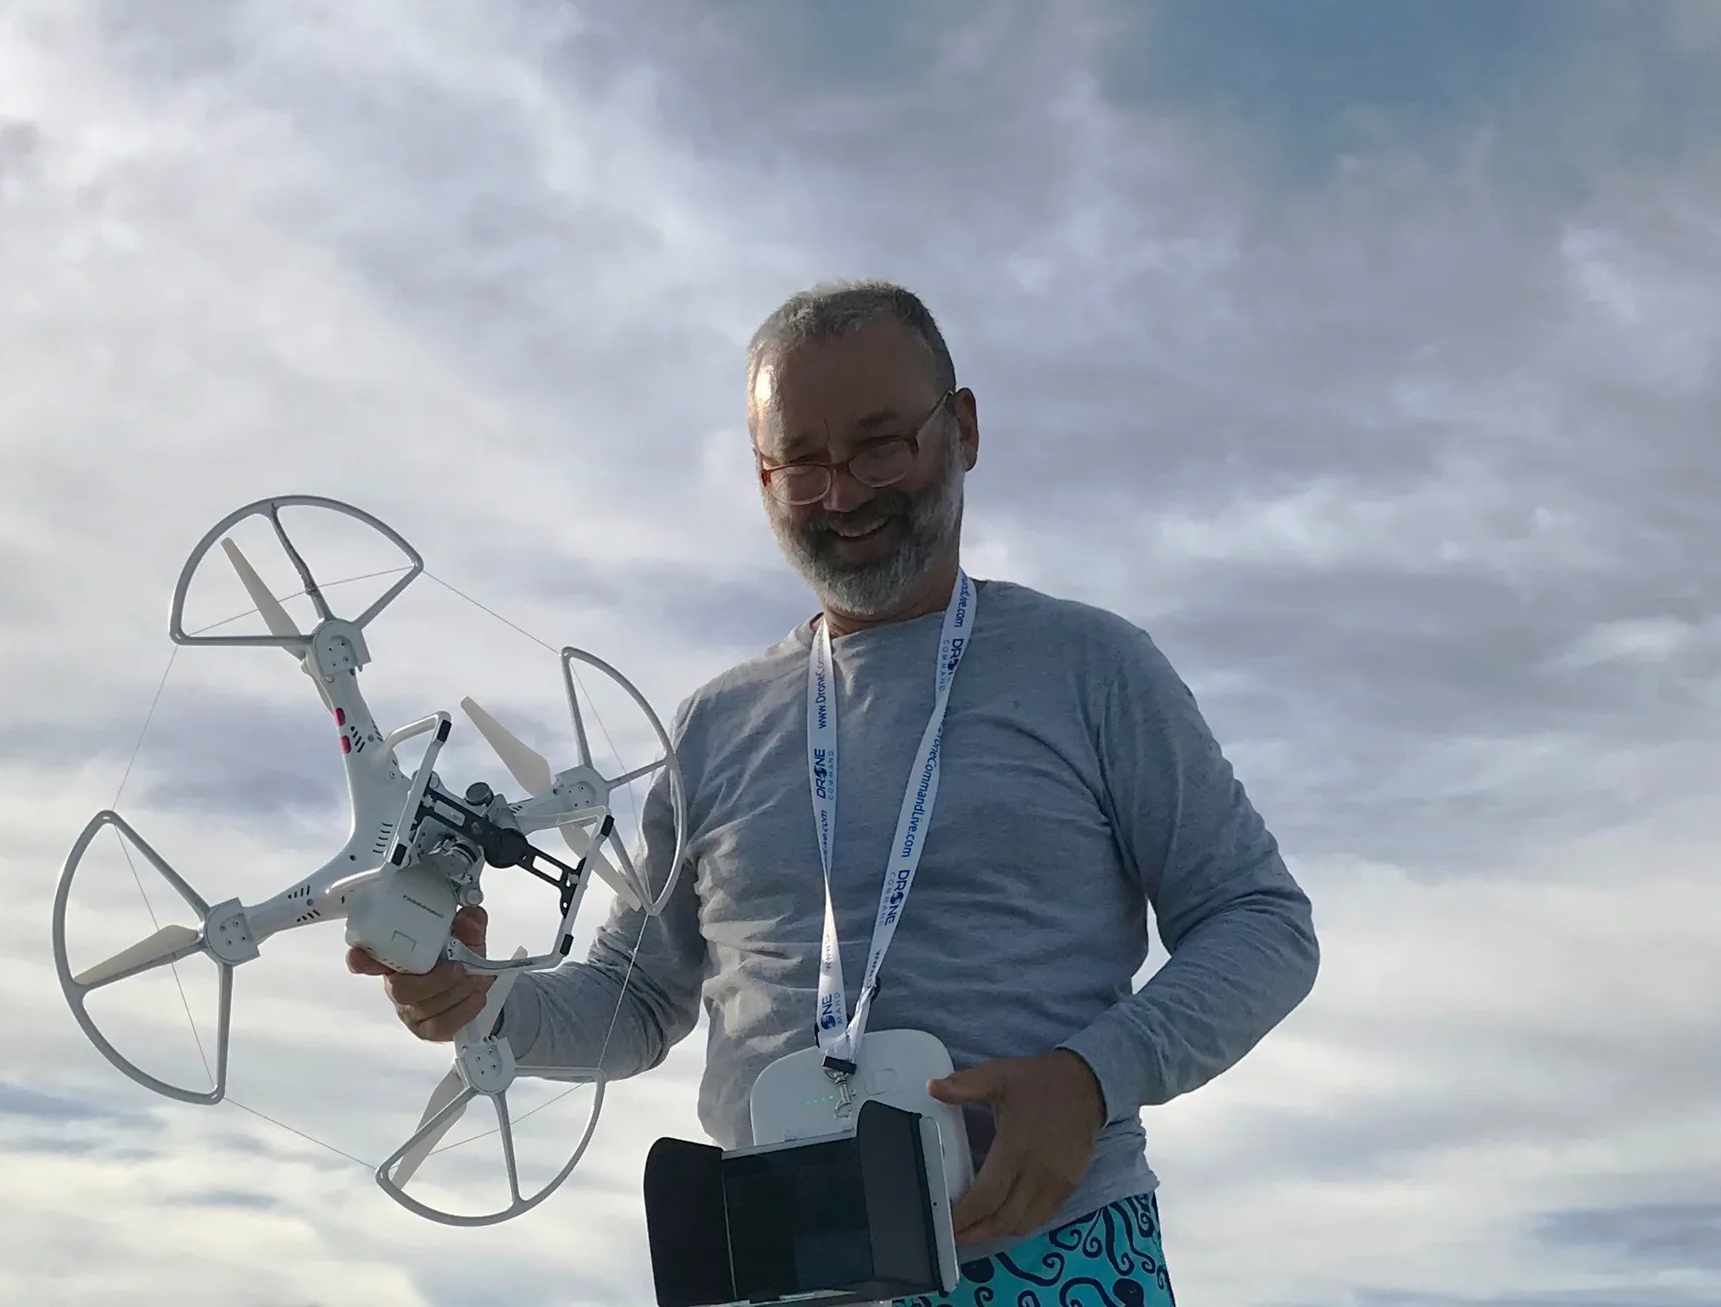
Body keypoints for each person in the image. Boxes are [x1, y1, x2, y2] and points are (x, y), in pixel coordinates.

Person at [348, 280, 1321, 1305]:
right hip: (774, 1272)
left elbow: (1262, 920)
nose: (843, 491)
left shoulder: (1095, 668)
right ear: (762, 475)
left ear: (966, 427)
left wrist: (1092, 1076)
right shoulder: (716, 724)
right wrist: (478, 997)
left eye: (880, 443)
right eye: (801, 461)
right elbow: (633, 1002)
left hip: (1051, 1252)